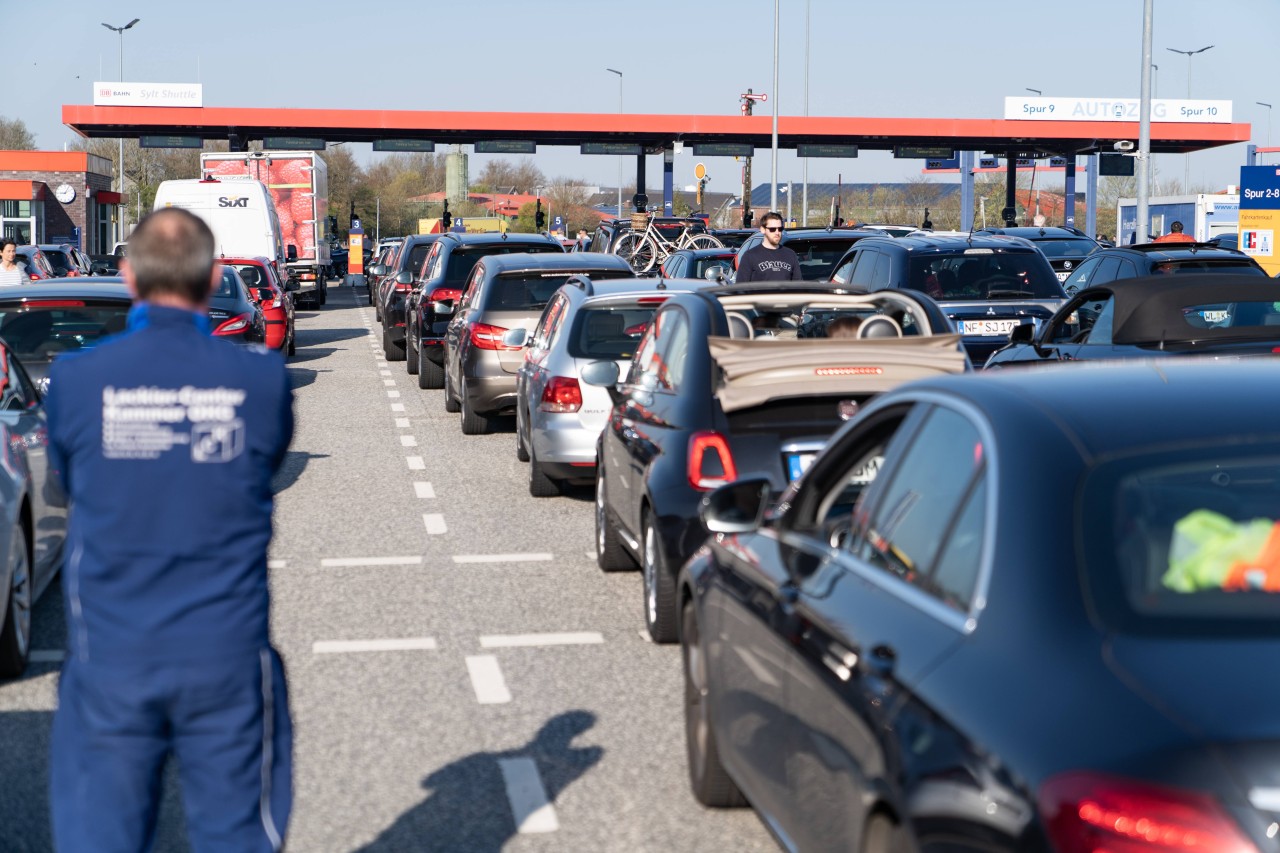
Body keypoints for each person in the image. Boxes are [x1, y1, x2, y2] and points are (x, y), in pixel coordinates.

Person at [45, 207, 294, 852]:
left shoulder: (75, 381)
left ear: (128, 276)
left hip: (112, 654)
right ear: (213, 279)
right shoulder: (261, 380)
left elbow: (67, 485)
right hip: (225, 653)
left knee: (101, 835)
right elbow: (261, 468)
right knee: (236, 833)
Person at [736, 211, 802, 283]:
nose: (777, 233)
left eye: (780, 229)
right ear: (763, 230)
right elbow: (741, 287)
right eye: (772, 229)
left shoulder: (790, 255)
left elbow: (798, 286)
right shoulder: (750, 256)